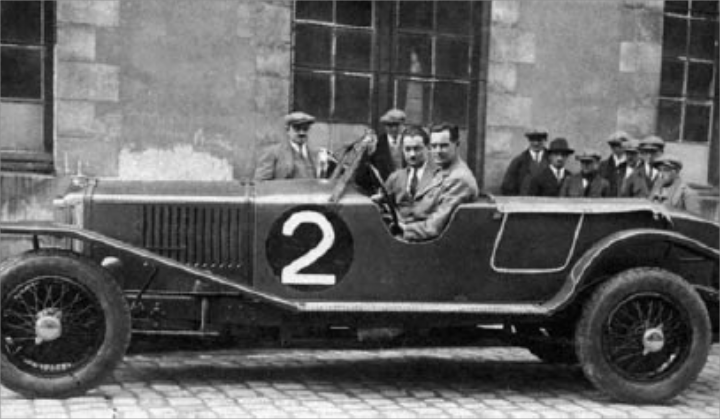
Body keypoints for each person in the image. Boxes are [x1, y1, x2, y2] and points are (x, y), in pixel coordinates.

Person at [397, 124, 479, 242]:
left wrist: (403, 229)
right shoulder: (444, 170)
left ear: (457, 145)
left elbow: (433, 227)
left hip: (432, 242)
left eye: (444, 146)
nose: (437, 151)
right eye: (434, 146)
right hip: (419, 229)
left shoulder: (459, 179)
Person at [382, 126, 435, 219]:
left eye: (417, 149)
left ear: (428, 148)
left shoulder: (438, 176)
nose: (412, 154)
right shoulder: (395, 177)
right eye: (407, 149)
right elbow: (383, 206)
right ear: (402, 149)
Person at [254, 111, 321, 181]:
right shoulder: (273, 153)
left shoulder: (315, 154)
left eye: (305, 129)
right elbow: (261, 183)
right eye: (297, 128)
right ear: (287, 130)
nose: (302, 133)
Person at [354, 109, 406, 193]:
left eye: (397, 125)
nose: (394, 129)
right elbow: (360, 177)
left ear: (403, 125)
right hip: (384, 194)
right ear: (385, 126)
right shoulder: (376, 144)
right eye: (390, 125)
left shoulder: (411, 143)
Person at [501, 128, 549, 196]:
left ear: (544, 140)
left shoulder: (551, 159)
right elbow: (507, 186)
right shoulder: (518, 161)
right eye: (532, 139)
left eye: (539, 140)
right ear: (528, 140)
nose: (536, 143)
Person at [599, 131, 629, 197]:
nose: (615, 148)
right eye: (613, 145)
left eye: (618, 145)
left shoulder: (632, 165)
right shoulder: (602, 166)